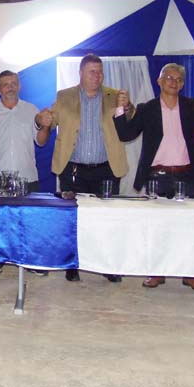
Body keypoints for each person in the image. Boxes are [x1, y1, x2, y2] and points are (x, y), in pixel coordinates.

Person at [113, 63, 194, 291]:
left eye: (178, 79)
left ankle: (191, 274)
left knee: (192, 227)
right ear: (159, 81)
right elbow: (126, 134)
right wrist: (120, 109)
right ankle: (157, 271)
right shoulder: (147, 108)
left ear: (182, 84)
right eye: (169, 77)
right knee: (158, 228)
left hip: (188, 176)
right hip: (157, 176)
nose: (174, 82)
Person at [35, 53, 128, 282]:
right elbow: (48, 122)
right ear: (81, 73)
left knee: (106, 219)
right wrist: (41, 120)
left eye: (100, 72)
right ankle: (72, 264)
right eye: (92, 71)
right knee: (73, 219)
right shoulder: (64, 96)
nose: (97, 76)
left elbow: (129, 124)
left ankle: (106, 264)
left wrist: (128, 107)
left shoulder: (114, 96)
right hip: (73, 169)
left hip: (107, 169)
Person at [0, 70, 49, 277]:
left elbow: (41, 141)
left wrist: (45, 126)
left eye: (13, 83)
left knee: (28, 221)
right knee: (0, 221)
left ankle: (30, 260)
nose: (10, 87)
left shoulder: (32, 110)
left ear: (19, 86)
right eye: (5, 84)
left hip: (27, 174)